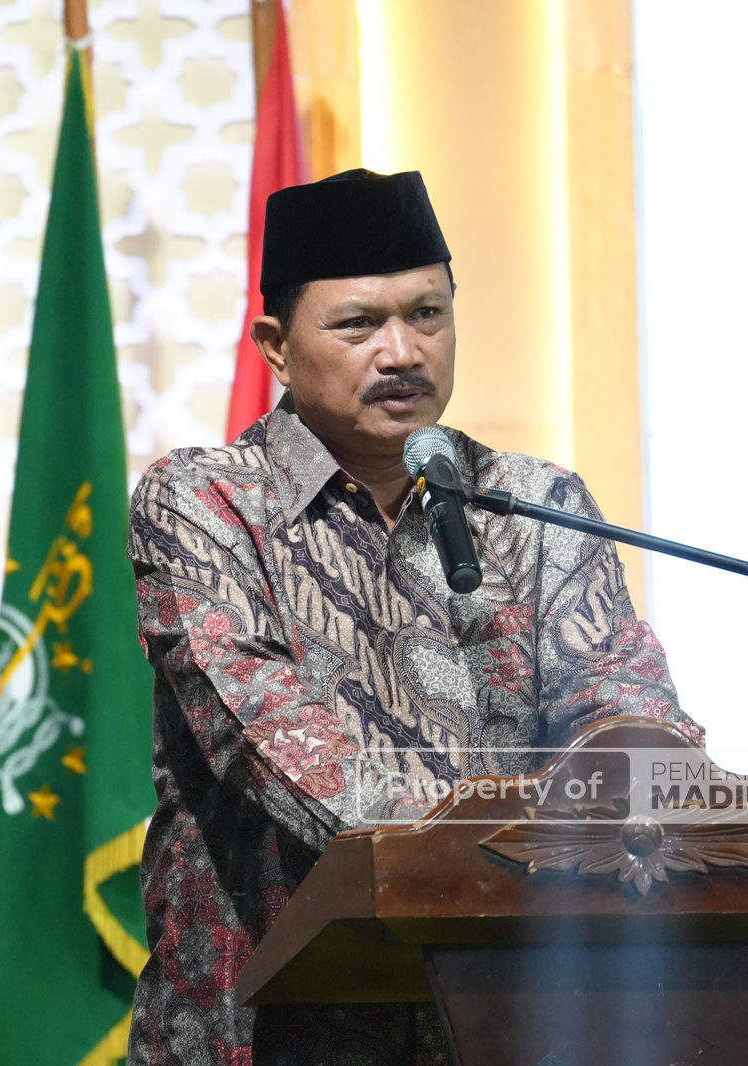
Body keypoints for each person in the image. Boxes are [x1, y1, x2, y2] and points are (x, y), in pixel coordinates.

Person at [124, 169, 703, 1065]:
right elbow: (272, 739)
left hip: (508, 1028)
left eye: (427, 314)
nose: (402, 352)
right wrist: (527, 848)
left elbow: (624, 713)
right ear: (276, 347)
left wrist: (660, 789)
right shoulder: (206, 504)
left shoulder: (534, 505)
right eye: (358, 325)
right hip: (268, 1036)